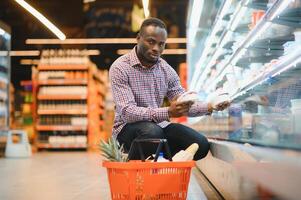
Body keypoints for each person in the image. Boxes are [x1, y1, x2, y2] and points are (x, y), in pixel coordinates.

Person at [109, 17, 229, 160]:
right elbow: (128, 112)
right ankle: (135, 168)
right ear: (138, 38)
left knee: (200, 145)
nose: (156, 48)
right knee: (152, 133)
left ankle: (163, 165)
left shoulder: (166, 70)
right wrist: (168, 112)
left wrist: (210, 106)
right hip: (126, 129)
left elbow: (183, 103)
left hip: (158, 127)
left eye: (161, 44)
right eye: (151, 42)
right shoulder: (120, 67)